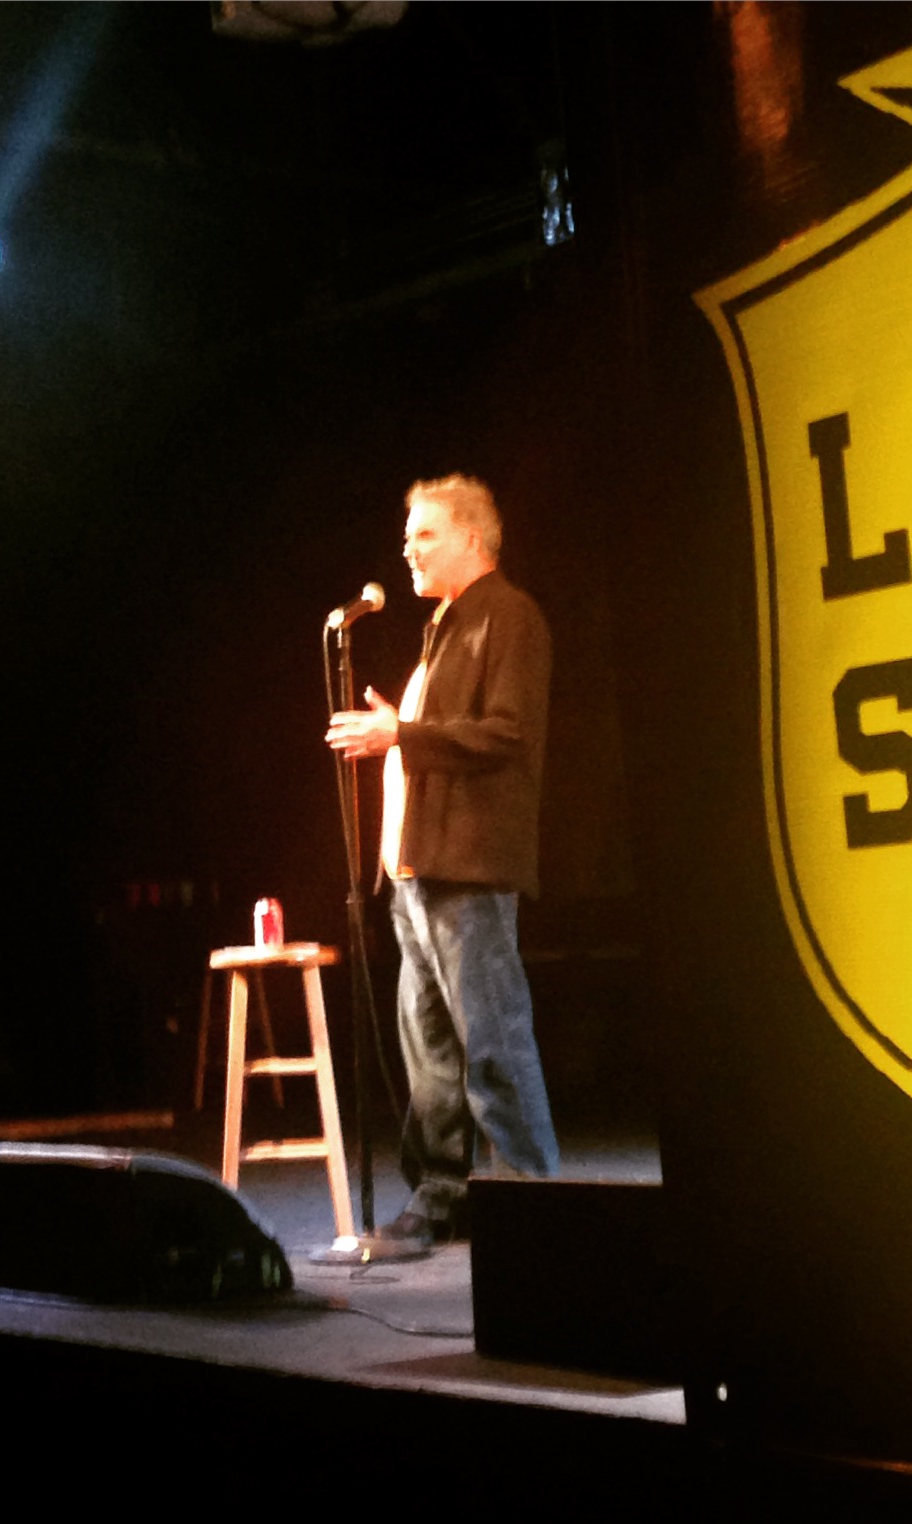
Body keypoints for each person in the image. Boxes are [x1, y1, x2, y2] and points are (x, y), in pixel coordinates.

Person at [325, 473, 558, 1245]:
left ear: (471, 538)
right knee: (430, 1052)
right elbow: (435, 740)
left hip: (470, 869)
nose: (408, 550)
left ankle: (533, 1204)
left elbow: (507, 734)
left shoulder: (509, 617)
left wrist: (402, 735)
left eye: (424, 534)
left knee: (493, 1043)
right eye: (407, 536)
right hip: (418, 872)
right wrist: (399, 735)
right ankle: (444, 1196)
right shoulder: (445, 627)